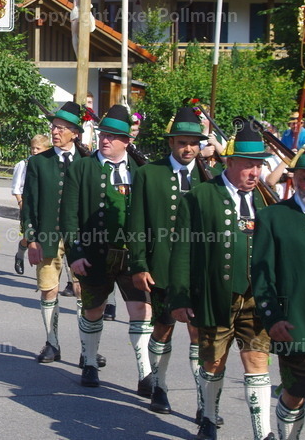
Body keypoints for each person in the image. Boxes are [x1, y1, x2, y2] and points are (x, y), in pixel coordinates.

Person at [169, 120, 274, 440]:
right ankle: (210, 419)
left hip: (255, 296)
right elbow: (182, 248)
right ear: (229, 162)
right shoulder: (201, 196)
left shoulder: (265, 199)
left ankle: (263, 432)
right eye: (247, 165)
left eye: (258, 165)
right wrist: (180, 297)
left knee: (257, 359)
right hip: (215, 295)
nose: (254, 172)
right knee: (213, 361)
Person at [127, 106, 217, 418]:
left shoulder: (212, 180)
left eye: (194, 142)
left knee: (200, 335)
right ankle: (159, 386)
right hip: (162, 269)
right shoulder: (148, 174)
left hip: (201, 272)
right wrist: (139, 264)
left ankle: (203, 401)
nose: (188, 148)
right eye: (182, 142)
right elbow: (136, 224)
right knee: (163, 329)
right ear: (171, 143)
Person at [63, 104, 151, 391]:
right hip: (93, 254)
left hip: (132, 254)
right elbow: (69, 215)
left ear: (127, 140)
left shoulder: (142, 171)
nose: (105, 139)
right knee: (94, 309)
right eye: (103, 134)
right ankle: (89, 362)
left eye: (113, 136)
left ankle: (145, 373)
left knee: (141, 309)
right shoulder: (82, 168)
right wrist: (74, 255)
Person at [252, 137, 305, 440]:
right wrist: (272, 318)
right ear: (294, 179)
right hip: (295, 324)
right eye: (304, 178)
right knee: (297, 392)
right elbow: (262, 274)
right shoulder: (273, 217)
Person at [23, 101, 86, 365]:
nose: (55, 132)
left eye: (61, 128)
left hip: (81, 240)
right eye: (54, 127)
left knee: (84, 292)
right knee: (48, 290)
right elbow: (29, 204)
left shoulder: (88, 162)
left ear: (75, 132)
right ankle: (52, 342)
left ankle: (88, 350)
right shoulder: (38, 163)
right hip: (47, 237)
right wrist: (32, 239)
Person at [12, 135, 51, 275]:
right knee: (29, 236)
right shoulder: (24, 164)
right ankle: (20, 255)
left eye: (38, 148)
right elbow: (16, 187)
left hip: (44, 206)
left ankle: (44, 268)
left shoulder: (50, 164)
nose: (34, 151)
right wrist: (21, 202)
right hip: (27, 204)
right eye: (33, 148)